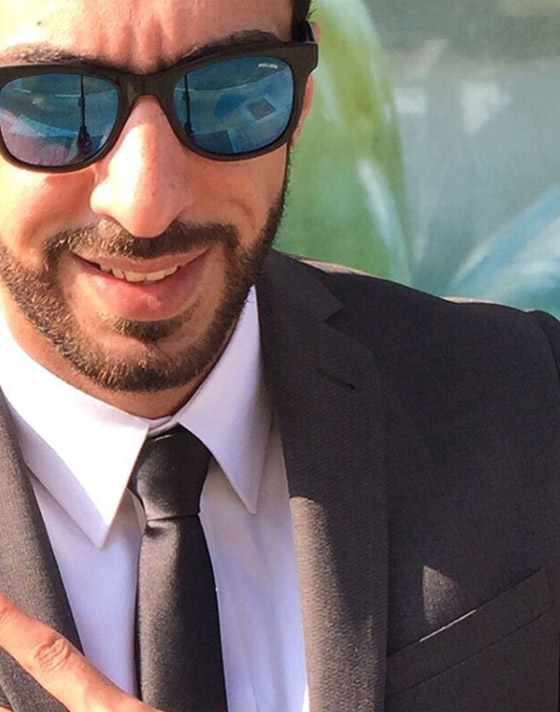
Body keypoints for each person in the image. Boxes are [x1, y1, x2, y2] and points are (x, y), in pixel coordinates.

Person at [0, 0, 559, 711]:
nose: (146, 205)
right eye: (53, 106)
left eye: (227, 92)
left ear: (303, 99)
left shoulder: (526, 397)